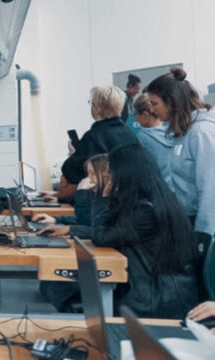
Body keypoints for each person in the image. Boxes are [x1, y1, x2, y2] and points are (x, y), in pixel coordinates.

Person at [89, 144, 198, 318]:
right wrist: (70, 229)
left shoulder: (146, 212)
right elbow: (112, 230)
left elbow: (102, 237)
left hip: (158, 300)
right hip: (152, 290)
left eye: (111, 171)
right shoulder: (148, 202)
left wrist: (103, 198)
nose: (108, 176)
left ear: (127, 173)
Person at [146, 67, 215, 234]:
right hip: (183, 220)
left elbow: (210, 190)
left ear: (171, 101)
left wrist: (203, 238)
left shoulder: (201, 133)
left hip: (200, 224)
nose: (152, 110)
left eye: (155, 103)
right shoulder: (182, 133)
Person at [61, 85, 138, 184]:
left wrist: (73, 155)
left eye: (91, 103)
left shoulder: (94, 136)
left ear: (97, 108)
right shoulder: (129, 133)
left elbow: (72, 174)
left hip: (105, 195)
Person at [34, 154, 108, 238]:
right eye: (88, 174)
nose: (88, 179)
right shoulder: (98, 196)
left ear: (106, 175)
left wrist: (81, 191)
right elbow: (87, 220)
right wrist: (56, 220)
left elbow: (87, 223)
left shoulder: (114, 201)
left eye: (92, 173)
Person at [132, 93, 173, 177]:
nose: (135, 117)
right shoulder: (172, 133)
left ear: (145, 115)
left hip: (156, 185)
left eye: (135, 114)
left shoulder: (142, 138)